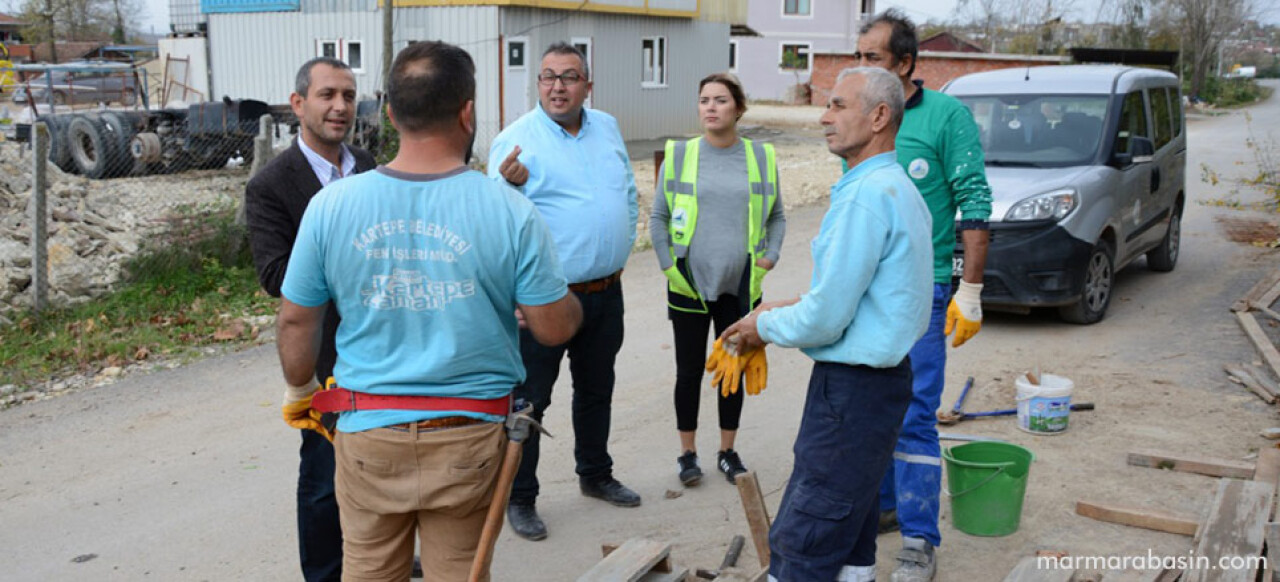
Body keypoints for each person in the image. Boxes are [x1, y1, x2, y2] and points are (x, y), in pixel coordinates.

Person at [274, 41, 583, 580]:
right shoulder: (509, 209)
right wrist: (569, 302)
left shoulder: (332, 206)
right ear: (468, 111)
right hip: (470, 436)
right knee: (460, 571)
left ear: (390, 113)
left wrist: (301, 391)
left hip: (367, 433)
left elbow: (297, 318)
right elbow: (553, 327)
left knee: (367, 568)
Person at [721, 66, 933, 582]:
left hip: (852, 393)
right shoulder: (896, 188)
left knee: (807, 537)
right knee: (852, 526)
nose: (823, 117)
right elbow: (854, 297)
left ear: (879, 116)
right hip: (880, 388)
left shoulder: (866, 196)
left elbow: (827, 318)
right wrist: (769, 311)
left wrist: (758, 329)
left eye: (838, 105)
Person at [854, 10, 994, 581]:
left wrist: (971, 289)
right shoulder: (864, 114)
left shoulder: (946, 118)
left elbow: (975, 204)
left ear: (906, 64)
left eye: (873, 59)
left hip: (923, 289)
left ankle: (918, 538)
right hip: (865, 289)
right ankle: (883, 507)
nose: (860, 70)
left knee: (914, 415)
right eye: (857, 57)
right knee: (868, 406)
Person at [487, 42, 641, 542]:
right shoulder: (515, 141)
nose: (558, 86)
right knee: (530, 401)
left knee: (597, 389)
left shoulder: (609, 127)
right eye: (548, 77)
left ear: (587, 86)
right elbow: (495, 224)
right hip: (544, 299)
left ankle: (595, 474)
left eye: (569, 77)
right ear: (538, 85)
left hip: (605, 292)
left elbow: (627, 194)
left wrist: (618, 246)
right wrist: (510, 188)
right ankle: (520, 497)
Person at [244, 56, 376, 582]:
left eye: (348, 95)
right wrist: (354, 254)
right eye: (327, 95)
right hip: (327, 358)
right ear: (299, 104)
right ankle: (325, 573)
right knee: (324, 481)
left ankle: (379, 558)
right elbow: (276, 275)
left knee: (381, 468)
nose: (340, 106)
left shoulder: (368, 165)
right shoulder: (271, 184)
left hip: (385, 344)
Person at [649, 72, 785, 486]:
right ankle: (687, 455)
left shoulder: (761, 158)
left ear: (738, 108)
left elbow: (777, 217)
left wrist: (769, 259)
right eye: (704, 99)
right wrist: (668, 265)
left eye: (720, 100)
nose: (710, 107)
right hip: (688, 280)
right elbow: (658, 217)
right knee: (688, 371)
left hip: (740, 283)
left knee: (732, 367)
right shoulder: (680, 155)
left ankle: (727, 451)